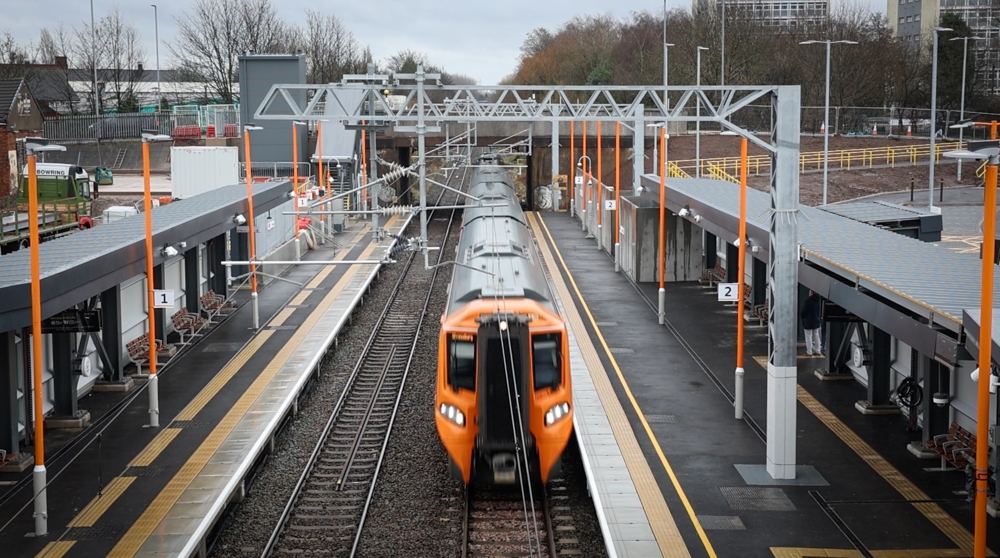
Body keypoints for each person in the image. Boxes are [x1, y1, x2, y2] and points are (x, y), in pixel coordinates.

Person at [800, 290, 823, 356]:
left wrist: (802, 317)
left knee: (808, 337)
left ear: (811, 293)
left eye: (809, 292)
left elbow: (803, 312)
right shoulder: (819, 302)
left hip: (808, 322)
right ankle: (818, 351)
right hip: (816, 321)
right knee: (816, 336)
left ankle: (809, 352)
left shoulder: (807, 302)